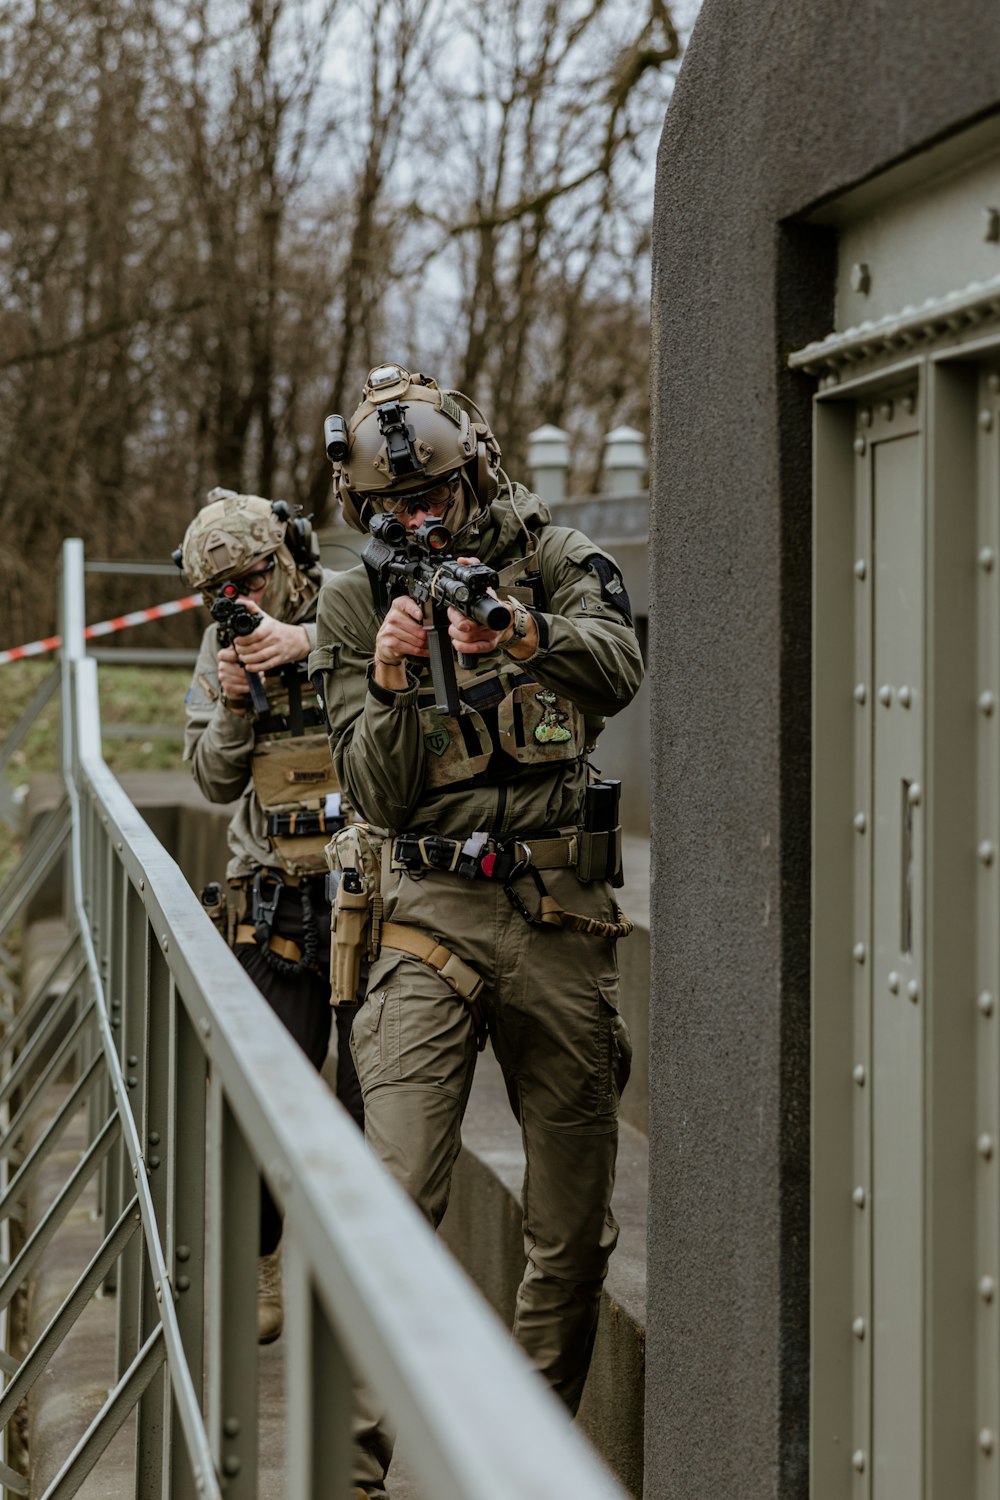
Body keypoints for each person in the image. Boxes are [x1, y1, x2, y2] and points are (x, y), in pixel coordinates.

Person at [310, 365, 643, 1496]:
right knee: (393, 1193)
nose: (418, 523)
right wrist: (400, 681)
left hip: (558, 909)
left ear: (476, 476)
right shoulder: (354, 607)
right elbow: (375, 793)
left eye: (437, 501)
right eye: (395, 510)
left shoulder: (550, 553)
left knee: (574, 1227)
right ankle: (350, 1476)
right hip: (426, 912)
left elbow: (622, 665)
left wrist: (524, 635)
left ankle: (523, 1465)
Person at [177, 487, 364, 1344]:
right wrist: (234, 702)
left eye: (251, 579)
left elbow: (411, 683)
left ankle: (359, 1285)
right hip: (274, 894)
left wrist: (311, 647)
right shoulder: (222, 646)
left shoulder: (349, 601)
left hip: (367, 885)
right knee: (265, 1097)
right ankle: (261, 1262)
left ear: (284, 555)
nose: (240, 604)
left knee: (372, 1106)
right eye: (221, 593)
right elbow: (212, 781)